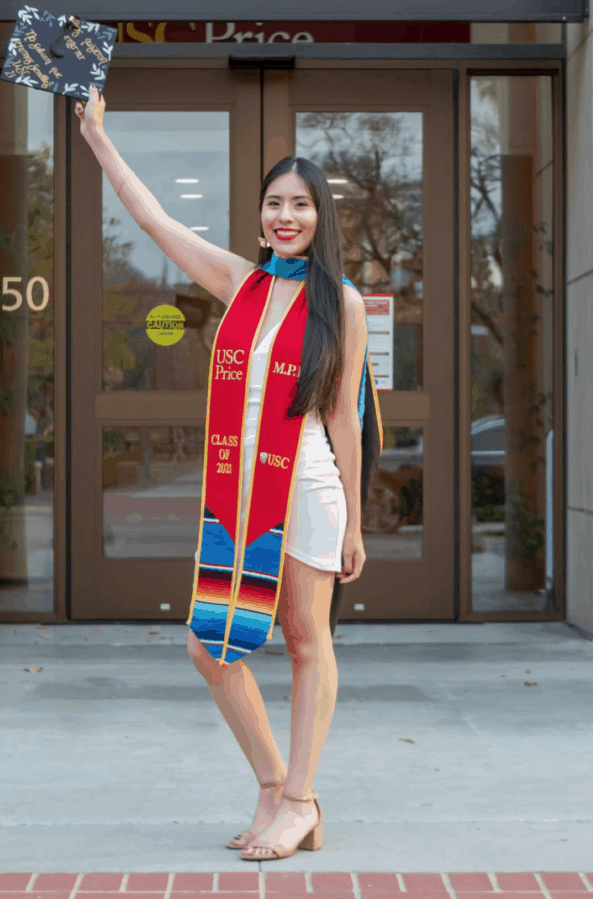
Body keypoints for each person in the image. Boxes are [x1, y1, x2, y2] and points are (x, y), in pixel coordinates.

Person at [76, 87, 381, 862]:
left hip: (305, 488)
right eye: (275, 204)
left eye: (301, 205)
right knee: (211, 647)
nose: (286, 216)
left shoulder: (338, 303)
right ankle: (276, 787)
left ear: (321, 218)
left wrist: (355, 519)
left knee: (305, 641)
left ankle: (302, 798)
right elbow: (154, 221)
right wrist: (99, 137)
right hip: (235, 495)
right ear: (259, 217)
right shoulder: (238, 284)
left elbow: (344, 418)